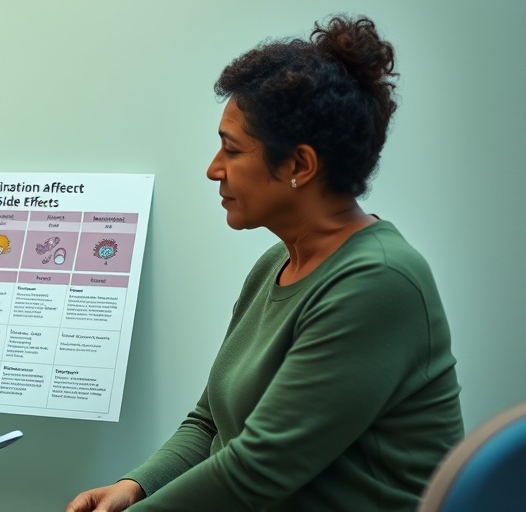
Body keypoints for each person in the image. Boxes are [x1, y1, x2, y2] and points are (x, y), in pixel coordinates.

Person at [66, 15, 463, 512]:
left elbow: (257, 470)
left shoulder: (377, 281)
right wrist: (135, 486)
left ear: (299, 165)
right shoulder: (276, 262)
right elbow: (209, 423)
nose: (213, 169)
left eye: (231, 150)